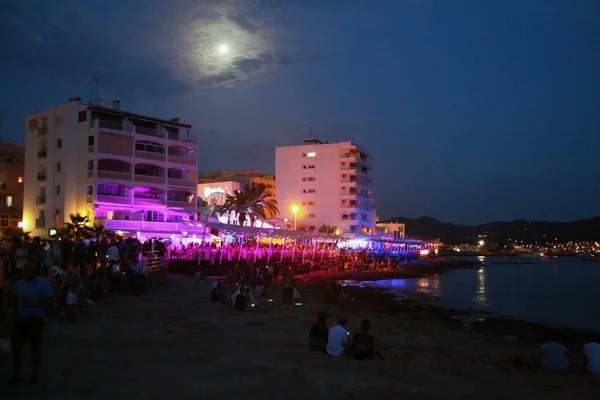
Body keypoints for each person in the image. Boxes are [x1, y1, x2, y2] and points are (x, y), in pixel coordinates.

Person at [9, 262, 54, 384]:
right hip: (20, 319)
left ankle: (34, 374)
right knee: (17, 348)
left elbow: (50, 300)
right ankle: (16, 374)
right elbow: (13, 301)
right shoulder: (19, 284)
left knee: (35, 348)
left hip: (36, 319)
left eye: (27, 270)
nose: (25, 272)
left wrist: (33, 303)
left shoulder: (43, 283)